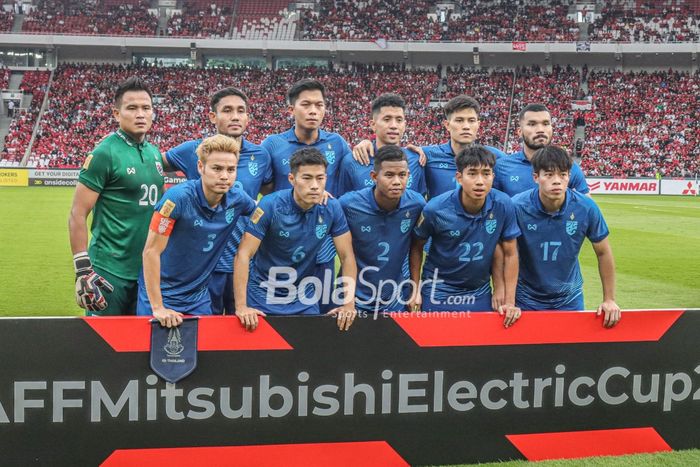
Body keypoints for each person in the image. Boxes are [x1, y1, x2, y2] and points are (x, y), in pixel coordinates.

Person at [162, 87, 272, 315]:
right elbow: (153, 165)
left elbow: (272, 195)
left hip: (242, 261)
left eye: (241, 111)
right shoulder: (193, 150)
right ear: (213, 116)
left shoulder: (260, 155)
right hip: (201, 265)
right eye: (227, 110)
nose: (235, 116)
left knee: (241, 329)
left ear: (248, 117)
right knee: (205, 333)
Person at [233, 148, 357, 331]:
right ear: (292, 179)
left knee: (307, 357)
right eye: (307, 178)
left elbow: (347, 256)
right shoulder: (270, 205)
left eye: (320, 178)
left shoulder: (332, 208)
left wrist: (348, 304)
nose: (315, 185)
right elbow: (244, 254)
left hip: (304, 299)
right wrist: (242, 306)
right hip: (262, 297)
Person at [138, 135, 256, 327]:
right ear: (201, 167)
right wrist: (158, 307)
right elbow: (151, 251)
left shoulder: (238, 199)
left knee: (203, 353)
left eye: (231, 170)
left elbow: (265, 212)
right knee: (155, 352)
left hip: (198, 297)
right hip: (160, 293)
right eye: (217, 168)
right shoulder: (177, 198)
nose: (225, 176)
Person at [68, 76, 163, 315]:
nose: (140, 114)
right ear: (116, 114)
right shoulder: (104, 153)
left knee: (142, 346)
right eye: (132, 108)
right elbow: (78, 214)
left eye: (146, 108)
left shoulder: (154, 152)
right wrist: (82, 270)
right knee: (103, 347)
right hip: (109, 270)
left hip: (146, 268)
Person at [260, 79, 353, 313]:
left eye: (319, 105)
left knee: (320, 314)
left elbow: (360, 171)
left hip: (321, 245)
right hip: (281, 244)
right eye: (306, 104)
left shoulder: (338, 143)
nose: (313, 110)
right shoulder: (272, 145)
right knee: (275, 310)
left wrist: (365, 144)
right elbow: (266, 188)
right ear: (291, 110)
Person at [409, 145, 521, 327]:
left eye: (486, 173)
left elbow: (509, 253)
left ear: (493, 176)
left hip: (479, 291)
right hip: (439, 290)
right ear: (459, 177)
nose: (480, 181)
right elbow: (416, 246)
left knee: (476, 350)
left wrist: (508, 298)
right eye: (472, 173)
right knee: (435, 348)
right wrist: (415, 289)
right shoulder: (436, 209)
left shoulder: (503, 204)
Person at [512, 145, 621, 327]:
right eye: (549, 174)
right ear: (536, 177)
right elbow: (506, 255)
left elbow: (603, 252)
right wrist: (508, 300)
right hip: (525, 300)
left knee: (569, 354)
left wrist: (609, 299)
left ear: (569, 177)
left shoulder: (586, 207)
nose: (557, 181)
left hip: (569, 299)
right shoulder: (517, 207)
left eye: (563, 174)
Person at [352, 95, 506, 199]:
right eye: (459, 120)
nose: (466, 126)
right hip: (439, 237)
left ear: (478, 124)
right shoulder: (426, 155)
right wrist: (367, 142)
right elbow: (394, 153)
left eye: (471, 120)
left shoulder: (496, 158)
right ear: (447, 125)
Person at [338, 145, 426, 314]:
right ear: (374, 176)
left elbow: (417, 247)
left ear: (408, 175)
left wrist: (415, 289)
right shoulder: (349, 205)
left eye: (402, 175)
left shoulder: (416, 204)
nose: (397, 182)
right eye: (389, 175)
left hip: (395, 298)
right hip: (354, 298)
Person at [336, 93, 426, 196]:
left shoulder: (417, 160)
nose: (393, 126)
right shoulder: (351, 161)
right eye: (387, 119)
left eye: (399, 120)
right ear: (373, 125)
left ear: (405, 125)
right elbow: (342, 204)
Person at [493, 103, 589, 197]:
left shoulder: (569, 166)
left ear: (552, 128)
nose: (540, 129)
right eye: (532, 124)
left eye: (546, 124)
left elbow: (587, 208)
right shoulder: (501, 167)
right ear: (519, 132)